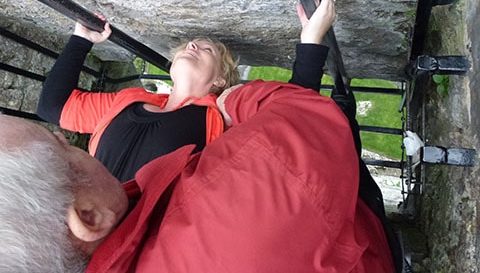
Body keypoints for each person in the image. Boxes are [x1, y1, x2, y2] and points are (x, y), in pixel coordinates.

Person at [0, 77, 397, 272]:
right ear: (87, 216)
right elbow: (292, 142)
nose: (63, 136)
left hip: (152, 212)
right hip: (330, 210)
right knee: (341, 128)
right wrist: (233, 99)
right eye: (64, 147)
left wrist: (81, 35)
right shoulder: (213, 118)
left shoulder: (133, 99)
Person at [36, 0, 336, 182]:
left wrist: (311, 41)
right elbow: (53, 106)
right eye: (190, 45)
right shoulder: (128, 99)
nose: (193, 45)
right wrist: (81, 40)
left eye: (206, 50)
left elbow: (290, 118)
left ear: (219, 79)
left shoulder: (221, 116)